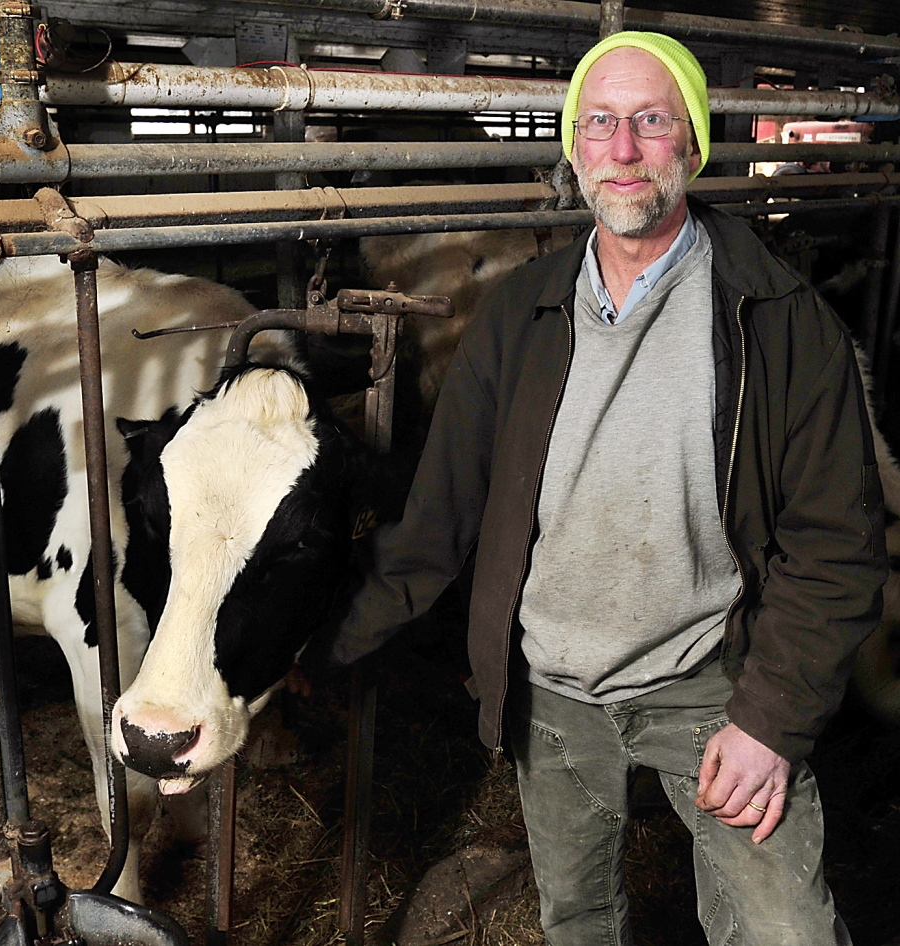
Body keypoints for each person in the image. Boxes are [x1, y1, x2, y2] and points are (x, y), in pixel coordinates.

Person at [313, 31, 888, 946]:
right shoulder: (521, 314)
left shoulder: (779, 320)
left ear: (692, 145)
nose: (623, 152)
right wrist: (314, 651)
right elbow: (441, 516)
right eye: (601, 123)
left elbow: (836, 545)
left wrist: (771, 721)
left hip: (713, 685)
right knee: (576, 922)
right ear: (574, 146)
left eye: (652, 122)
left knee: (788, 933)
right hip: (550, 693)